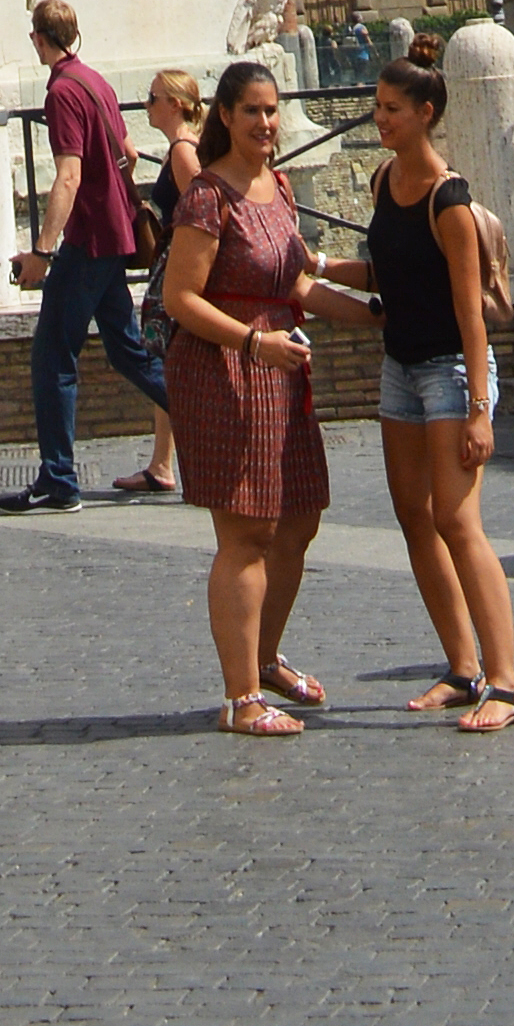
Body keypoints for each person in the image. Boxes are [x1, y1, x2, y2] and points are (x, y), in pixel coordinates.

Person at [324, 46, 514, 728]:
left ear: (425, 115)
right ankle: (462, 668)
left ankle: (505, 682)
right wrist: (318, 266)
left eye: (392, 110)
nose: (380, 119)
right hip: (400, 367)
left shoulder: (451, 201)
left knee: (458, 522)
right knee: (414, 518)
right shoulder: (383, 180)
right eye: (378, 107)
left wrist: (478, 412)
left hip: (451, 370)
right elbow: (389, 274)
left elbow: (471, 313)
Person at [153, 57, 331, 733]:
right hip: (224, 371)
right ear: (224, 117)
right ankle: (240, 698)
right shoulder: (207, 195)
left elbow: (298, 285)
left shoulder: (278, 186)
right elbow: (180, 298)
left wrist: (376, 307)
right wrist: (253, 345)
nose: (266, 121)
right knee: (247, 532)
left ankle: (261, 658)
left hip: (283, 369)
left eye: (272, 108)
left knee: (299, 518)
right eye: (252, 110)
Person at [3, 0, 171, 511]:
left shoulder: (61, 93)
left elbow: (68, 176)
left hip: (86, 241)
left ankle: (58, 480)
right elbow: (129, 151)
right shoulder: (95, 80)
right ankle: (221, 416)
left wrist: (41, 252)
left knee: (52, 358)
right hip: (115, 235)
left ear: (39, 38)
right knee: (130, 353)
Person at [125, 72, 211, 497]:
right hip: (174, 263)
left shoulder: (183, 151)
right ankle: (162, 463)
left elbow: (203, 208)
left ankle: (203, 451)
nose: (147, 104)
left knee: (168, 361)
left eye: (153, 97)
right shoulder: (181, 148)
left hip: (180, 267)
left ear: (175, 104)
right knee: (166, 360)